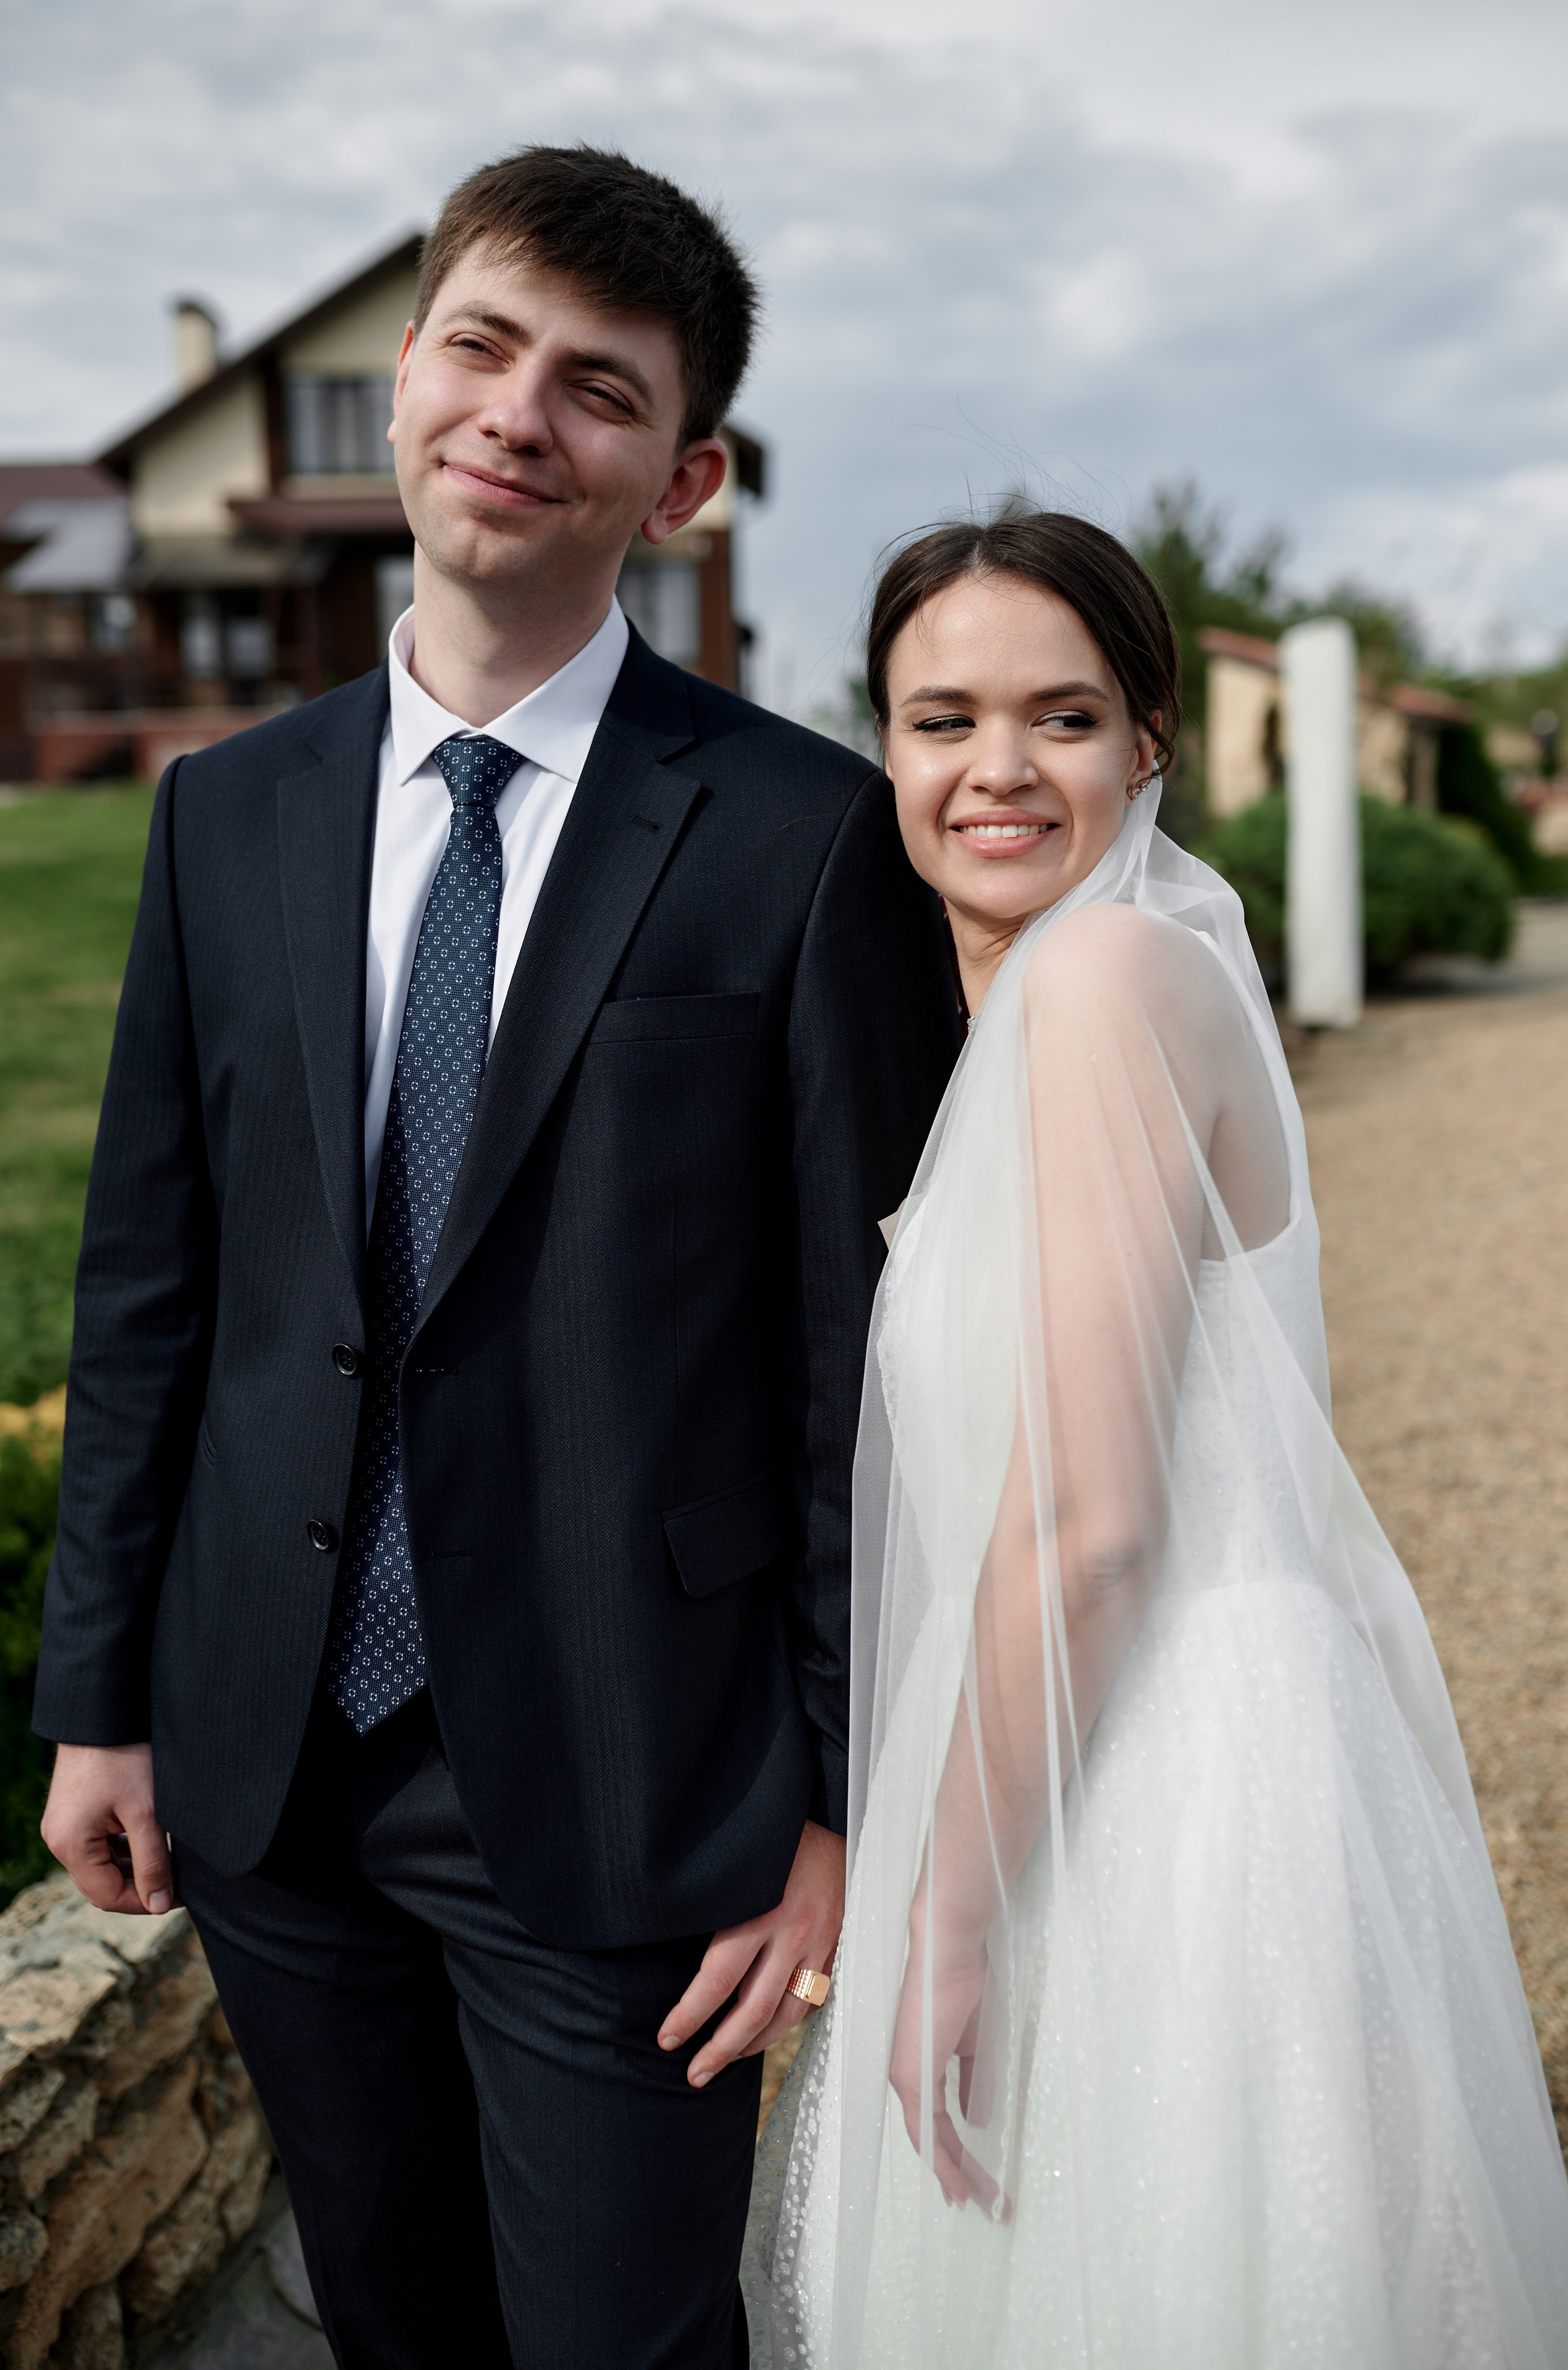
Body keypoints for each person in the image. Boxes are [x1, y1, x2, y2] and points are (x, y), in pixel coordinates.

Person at [33, 145, 959, 2368]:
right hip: (267, 1769)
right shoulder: (221, 811)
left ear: (682, 478)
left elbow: (867, 1374)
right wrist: (101, 1691)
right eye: (479, 342)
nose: (516, 410)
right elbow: (152, 1278)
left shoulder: (804, 835)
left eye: (600, 387)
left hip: (638, 1787)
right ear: (411, 377)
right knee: (391, 2321)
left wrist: (844, 1815)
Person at [747, 512, 1568, 2367]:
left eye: (1064, 716)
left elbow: (1097, 1520)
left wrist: (947, 1911)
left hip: (1147, 1780)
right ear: (882, 745)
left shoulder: (1105, 990)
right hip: (1121, 1729)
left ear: (1152, 745)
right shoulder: (1082, 988)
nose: (1000, 770)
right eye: (942, 718)